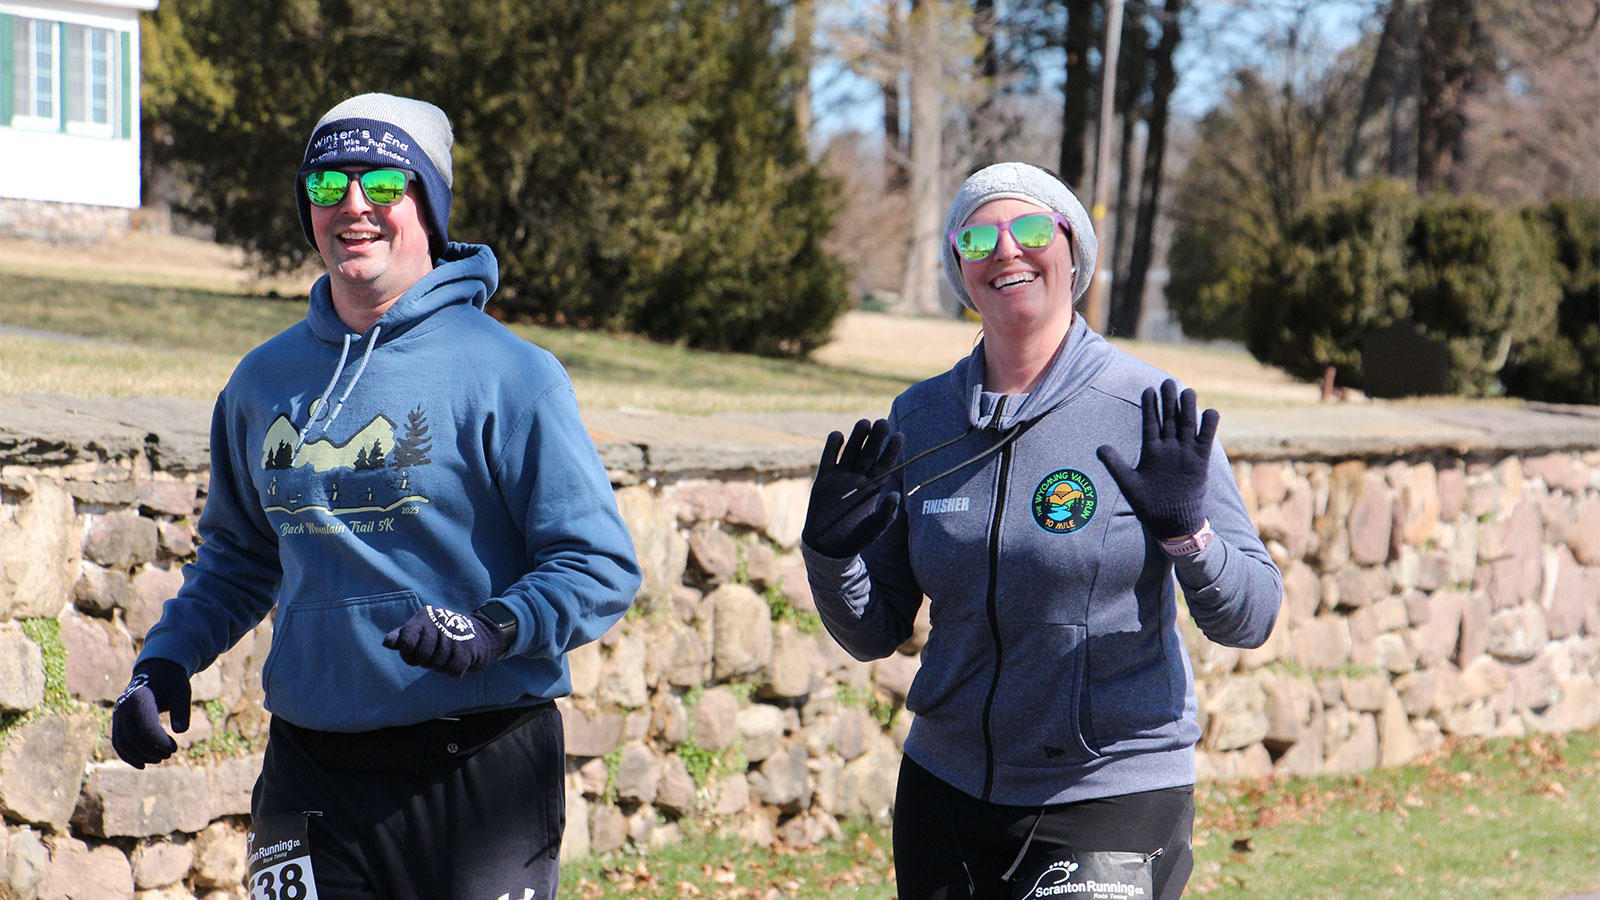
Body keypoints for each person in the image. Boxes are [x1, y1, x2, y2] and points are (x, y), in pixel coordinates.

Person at [109, 93, 641, 900]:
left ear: (429, 204)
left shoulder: (513, 375)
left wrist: (495, 626)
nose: (353, 205)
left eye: (384, 183)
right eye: (327, 185)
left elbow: (597, 564)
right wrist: (164, 663)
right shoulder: (261, 383)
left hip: (481, 766)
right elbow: (239, 558)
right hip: (311, 767)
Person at [801, 162, 1282, 900]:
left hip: (1109, 789)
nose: (1006, 251)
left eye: (1030, 229)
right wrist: (832, 557)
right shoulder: (920, 420)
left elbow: (1253, 616)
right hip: (945, 785)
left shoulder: (1149, 411)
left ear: (1072, 249)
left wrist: (1191, 538)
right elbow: (875, 631)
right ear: (960, 270)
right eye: (977, 239)